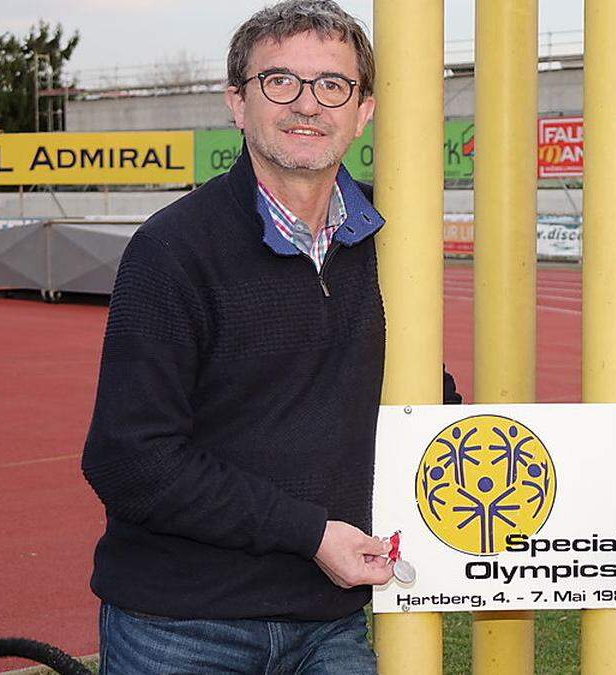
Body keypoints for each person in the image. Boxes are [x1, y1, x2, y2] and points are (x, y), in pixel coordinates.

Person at [80, 1, 461, 671]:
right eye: (279, 81)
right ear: (238, 101)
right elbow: (129, 459)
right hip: (182, 622)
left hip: (328, 622)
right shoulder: (172, 249)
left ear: (363, 109)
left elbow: (418, 399)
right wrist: (310, 534)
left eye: (332, 85)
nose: (307, 104)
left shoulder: (386, 241)